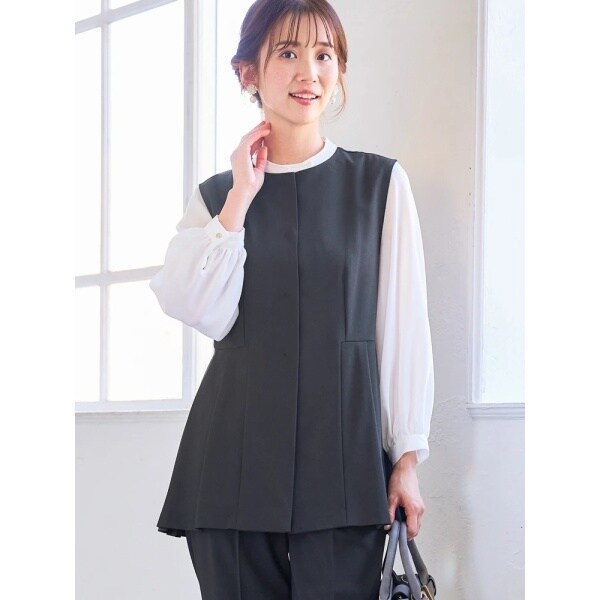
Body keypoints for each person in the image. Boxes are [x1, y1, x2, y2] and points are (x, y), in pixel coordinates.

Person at [149, 0, 434, 597]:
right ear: (248, 71)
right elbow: (198, 308)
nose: (309, 72)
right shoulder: (218, 197)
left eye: (324, 55)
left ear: (339, 69)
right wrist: (239, 200)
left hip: (344, 465)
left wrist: (406, 457)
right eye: (287, 52)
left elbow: (403, 328)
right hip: (231, 467)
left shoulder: (379, 184)